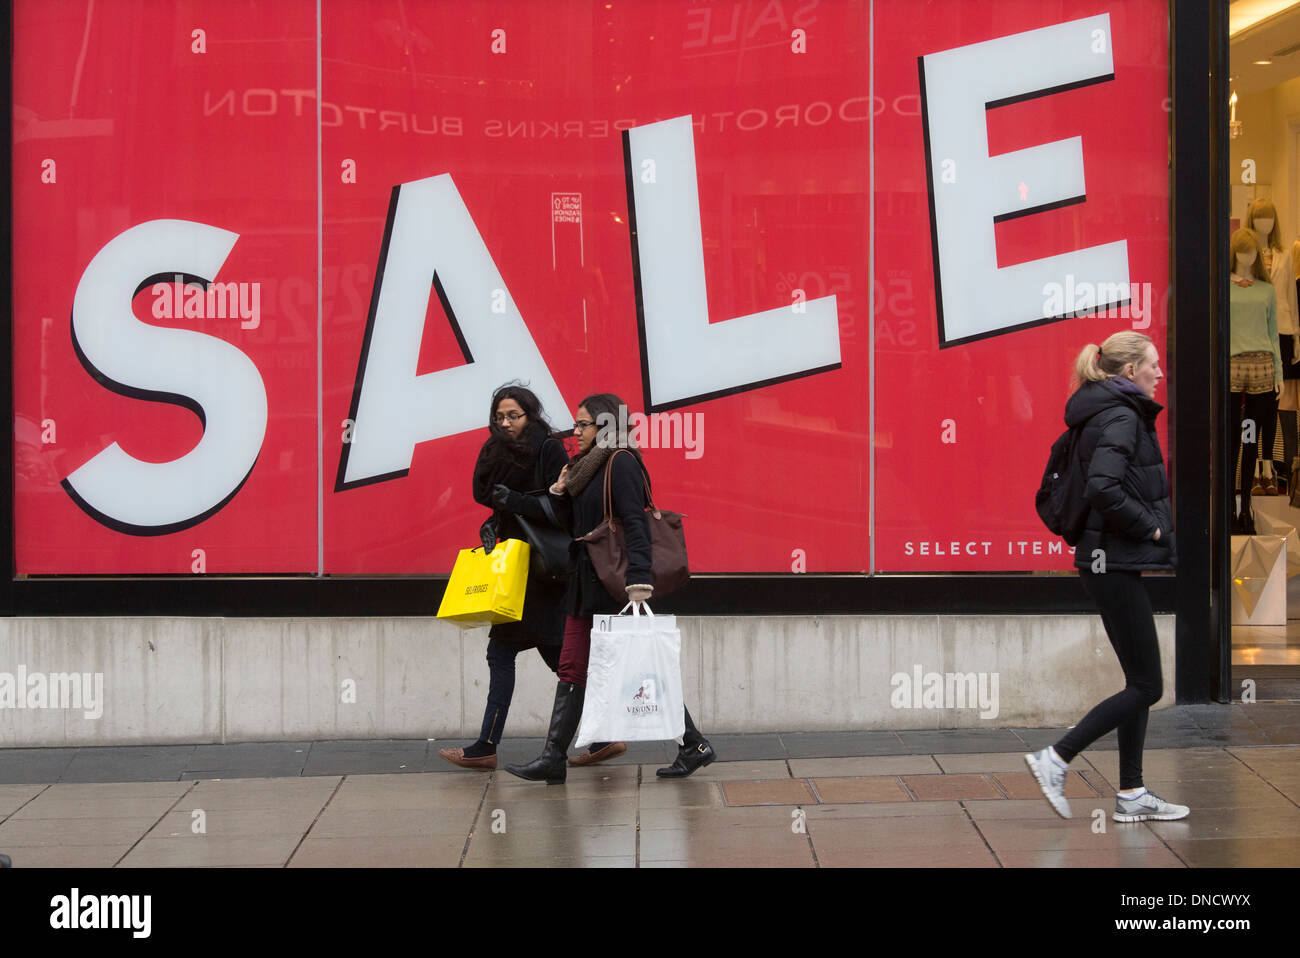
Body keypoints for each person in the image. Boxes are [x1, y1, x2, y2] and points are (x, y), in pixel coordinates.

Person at [505, 393, 716, 783]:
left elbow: (635, 523)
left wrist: (639, 580)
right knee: (578, 666)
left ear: (605, 425)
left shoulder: (620, 463)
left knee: (629, 668)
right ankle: (556, 757)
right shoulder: (584, 468)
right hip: (585, 582)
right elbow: (576, 525)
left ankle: (690, 743)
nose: (576, 432)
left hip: (611, 585)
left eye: (582, 425)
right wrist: (559, 492)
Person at [1025, 332, 1188, 823]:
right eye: (1153, 366)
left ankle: (1132, 793)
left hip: (1106, 561)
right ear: (1128, 372)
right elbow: (1102, 486)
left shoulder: (1104, 411)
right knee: (1149, 687)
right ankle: (1056, 758)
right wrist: (1152, 526)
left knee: (1137, 680)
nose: (1160, 374)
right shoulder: (1121, 416)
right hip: (1109, 561)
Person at [438, 385, 625, 770]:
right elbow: (497, 501)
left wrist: (514, 503)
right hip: (514, 568)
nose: (505, 424)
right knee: (557, 658)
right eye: (499, 417)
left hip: (542, 572)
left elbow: (561, 509)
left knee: (505, 653)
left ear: (531, 415)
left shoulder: (549, 448)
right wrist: (493, 522)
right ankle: (605, 734)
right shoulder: (495, 451)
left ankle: (487, 746)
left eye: (513, 416)